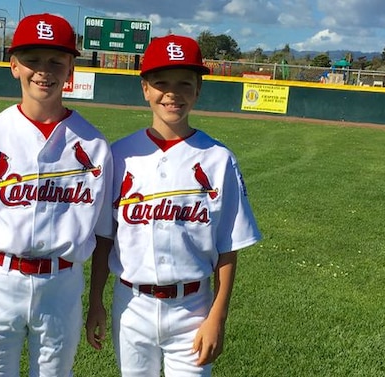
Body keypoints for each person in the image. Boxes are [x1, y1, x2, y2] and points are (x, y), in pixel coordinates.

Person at [86, 34, 262, 377]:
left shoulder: (218, 159)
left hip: (193, 308)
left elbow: (228, 247)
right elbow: (106, 238)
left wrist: (217, 317)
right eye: (161, 82)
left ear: (198, 90)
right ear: (145, 88)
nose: (172, 93)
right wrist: (95, 301)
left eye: (185, 83)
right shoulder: (120, 155)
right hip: (131, 304)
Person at [0, 13, 113, 377]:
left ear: (70, 68)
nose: (43, 70)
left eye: (55, 61)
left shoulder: (94, 145)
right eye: (32, 59)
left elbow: (103, 233)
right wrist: (9, 260)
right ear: (14, 65)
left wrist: (95, 301)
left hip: (62, 285)